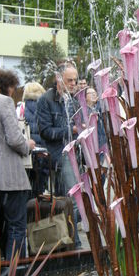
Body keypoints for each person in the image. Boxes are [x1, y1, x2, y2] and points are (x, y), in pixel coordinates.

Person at [36, 61, 82, 248]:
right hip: (58, 157)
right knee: (72, 199)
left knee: (73, 200)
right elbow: (45, 131)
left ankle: (70, 240)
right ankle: (74, 243)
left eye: (75, 80)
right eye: (69, 80)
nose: (73, 83)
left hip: (73, 155)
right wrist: (71, 129)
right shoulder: (46, 100)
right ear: (58, 79)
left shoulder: (73, 99)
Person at [0, 69, 36, 259]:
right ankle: (14, 273)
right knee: (16, 225)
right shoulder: (4, 102)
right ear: (7, 86)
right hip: (8, 176)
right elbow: (14, 139)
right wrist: (28, 145)